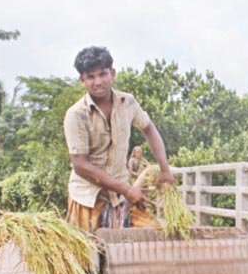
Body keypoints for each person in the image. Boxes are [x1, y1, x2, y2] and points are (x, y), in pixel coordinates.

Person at [64, 46, 174, 232]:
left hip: (122, 196)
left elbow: (149, 128)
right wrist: (125, 189)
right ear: (82, 80)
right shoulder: (76, 115)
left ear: (113, 73)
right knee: (88, 255)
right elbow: (80, 165)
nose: (98, 82)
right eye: (90, 77)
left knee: (154, 235)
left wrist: (165, 170)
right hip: (88, 197)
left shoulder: (127, 103)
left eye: (102, 74)